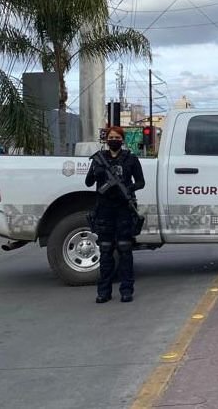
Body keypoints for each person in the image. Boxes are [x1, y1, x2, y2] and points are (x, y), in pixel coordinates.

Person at [85, 127, 145, 304]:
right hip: (104, 209)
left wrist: (128, 189)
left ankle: (126, 290)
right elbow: (88, 183)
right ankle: (104, 291)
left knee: (125, 248)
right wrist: (96, 173)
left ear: (122, 140)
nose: (114, 140)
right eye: (111, 137)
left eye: (117, 137)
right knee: (105, 249)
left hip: (124, 208)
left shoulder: (131, 159)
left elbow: (141, 182)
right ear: (106, 140)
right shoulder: (98, 159)